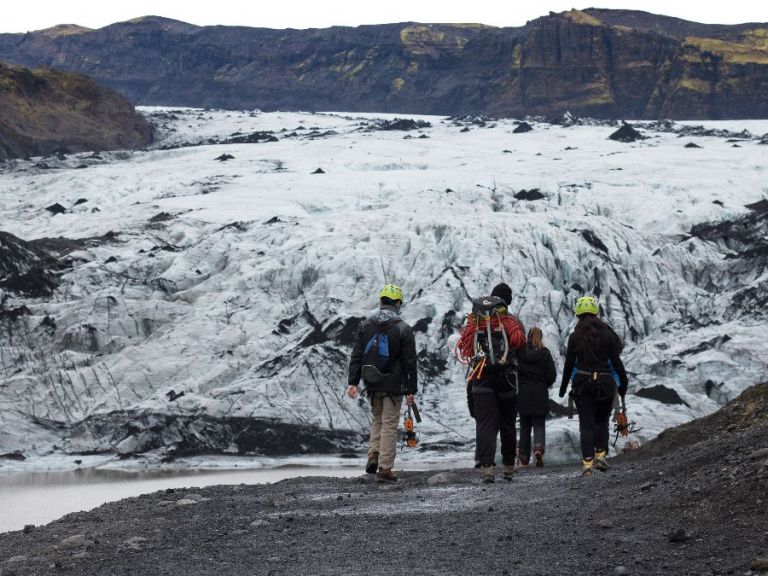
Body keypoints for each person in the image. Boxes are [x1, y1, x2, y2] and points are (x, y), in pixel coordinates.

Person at [347, 284, 417, 482]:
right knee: (389, 424)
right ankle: (385, 468)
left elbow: (357, 355)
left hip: (372, 382)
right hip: (394, 385)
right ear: (397, 303)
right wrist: (411, 389)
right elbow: (409, 362)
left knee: (377, 419)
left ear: (381, 301)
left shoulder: (365, 325)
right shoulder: (403, 328)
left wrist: (353, 382)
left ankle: (373, 455)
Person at [459, 282, 526, 483]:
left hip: (481, 379)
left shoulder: (477, 322)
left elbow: (468, 350)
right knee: (507, 423)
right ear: (508, 301)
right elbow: (521, 349)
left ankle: (487, 467)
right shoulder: (512, 322)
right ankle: (507, 467)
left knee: (485, 424)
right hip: (507, 379)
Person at [558, 296, 628, 476]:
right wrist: (623, 384)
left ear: (578, 314)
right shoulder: (607, 334)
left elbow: (569, 364)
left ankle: (587, 464)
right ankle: (601, 456)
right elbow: (616, 362)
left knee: (586, 424)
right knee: (601, 421)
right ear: (596, 313)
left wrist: (563, 387)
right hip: (605, 383)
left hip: (583, 383)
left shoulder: (574, 336)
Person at [516, 327, 556, 467]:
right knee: (539, 424)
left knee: (525, 427)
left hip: (524, 393)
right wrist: (543, 384)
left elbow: (515, 372)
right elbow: (552, 375)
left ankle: (523, 458)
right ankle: (538, 449)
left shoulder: (520, 353)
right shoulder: (545, 353)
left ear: (528, 337)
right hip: (540, 393)